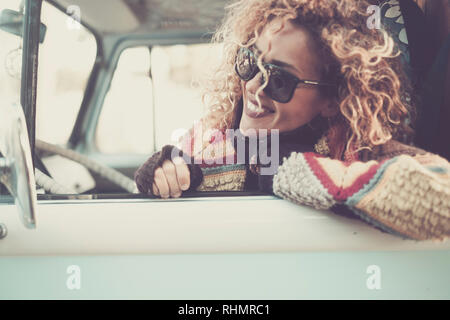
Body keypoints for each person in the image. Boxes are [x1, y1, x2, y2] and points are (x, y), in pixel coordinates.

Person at [134, 0, 450, 241]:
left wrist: (300, 173)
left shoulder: (356, 150)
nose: (254, 87)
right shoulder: (209, 139)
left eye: (280, 79)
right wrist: (161, 173)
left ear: (330, 102)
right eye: (249, 62)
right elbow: (156, 200)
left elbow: (442, 198)